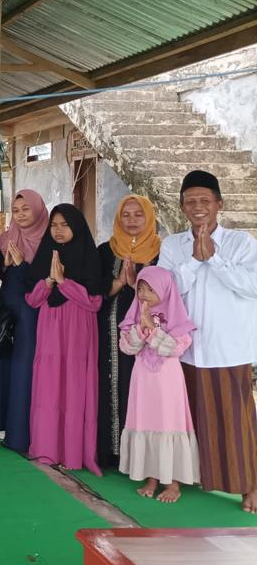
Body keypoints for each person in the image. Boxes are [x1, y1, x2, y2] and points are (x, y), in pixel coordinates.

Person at [158, 170, 257, 513]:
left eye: (204, 200)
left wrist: (214, 259)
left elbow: (252, 285)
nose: (197, 207)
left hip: (228, 348)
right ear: (182, 207)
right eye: (190, 202)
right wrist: (193, 261)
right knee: (189, 417)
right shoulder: (172, 245)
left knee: (236, 421)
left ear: (219, 204)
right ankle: (192, 476)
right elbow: (164, 290)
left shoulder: (241, 243)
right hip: (185, 349)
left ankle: (249, 486)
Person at [26, 204, 103, 476]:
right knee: (49, 386)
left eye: (65, 225)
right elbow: (32, 299)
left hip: (78, 328)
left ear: (77, 227)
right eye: (54, 225)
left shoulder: (89, 257)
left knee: (74, 387)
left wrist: (65, 282)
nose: (58, 230)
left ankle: (73, 452)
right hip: (50, 328)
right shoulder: (45, 255)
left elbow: (94, 302)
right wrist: (50, 281)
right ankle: (47, 447)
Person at [117, 267, 200, 503]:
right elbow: (127, 347)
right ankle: (152, 478)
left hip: (167, 379)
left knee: (168, 421)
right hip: (143, 377)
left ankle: (172, 483)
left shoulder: (176, 315)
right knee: (146, 421)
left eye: (150, 289)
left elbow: (176, 347)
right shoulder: (135, 312)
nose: (143, 294)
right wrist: (140, 328)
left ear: (164, 289)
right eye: (141, 288)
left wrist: (152, 329)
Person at [0, 190, 48, 453]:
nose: (20, 215)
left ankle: (21, 430)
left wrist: (23, 266)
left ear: (38, 210)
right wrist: (7, 266)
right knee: (1, 361)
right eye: (16, 211)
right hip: (7, 310)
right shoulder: (6, 240)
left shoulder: (50, 242)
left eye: (25, 209)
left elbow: (48, 281)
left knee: (24, 367)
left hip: (33, 313)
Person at [96, 194, 161, 469]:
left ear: (149, 218)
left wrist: (136, 285)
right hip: (109, 333)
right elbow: (95, 290)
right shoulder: (105, 251)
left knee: (142, 389)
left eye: (138, 214)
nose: (132, 220)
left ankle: (141, 458)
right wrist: (119, 282)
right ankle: (111, 452)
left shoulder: (160, 253)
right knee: (111, 384)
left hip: (149, 336)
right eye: (126, 214)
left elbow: (167, 293)